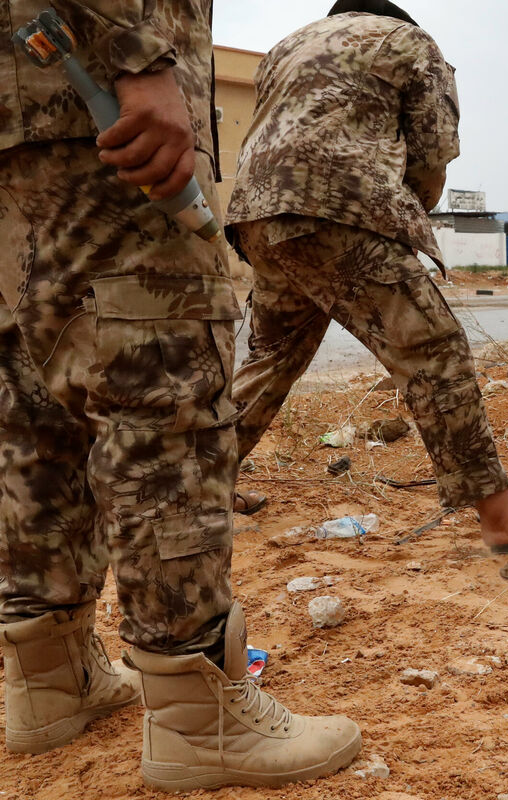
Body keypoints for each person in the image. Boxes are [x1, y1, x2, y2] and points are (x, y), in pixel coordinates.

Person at [0, 1, 359, 790]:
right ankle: (199, 718)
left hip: (17, 120)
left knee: (34, 401)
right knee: (162, 382)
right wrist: (138, 57)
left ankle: (48, 682)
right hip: (92, 105)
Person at [226, 0, 508, 555]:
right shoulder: (411, 42)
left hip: (255, 215)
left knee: (270, 358)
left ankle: (201, 484)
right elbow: (430, 156)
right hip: (336, 205)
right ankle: (501, 516)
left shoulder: (285, 48)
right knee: (431, 346)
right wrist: (408, 212)